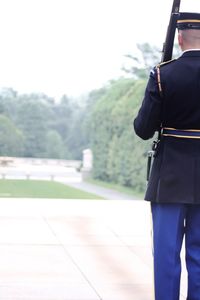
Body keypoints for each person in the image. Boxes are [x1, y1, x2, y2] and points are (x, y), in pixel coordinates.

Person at [134, 12, 200, 300]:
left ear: (180, 38)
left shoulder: (163, 73)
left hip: (170, 178)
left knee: (166, 255)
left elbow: (143, 129)